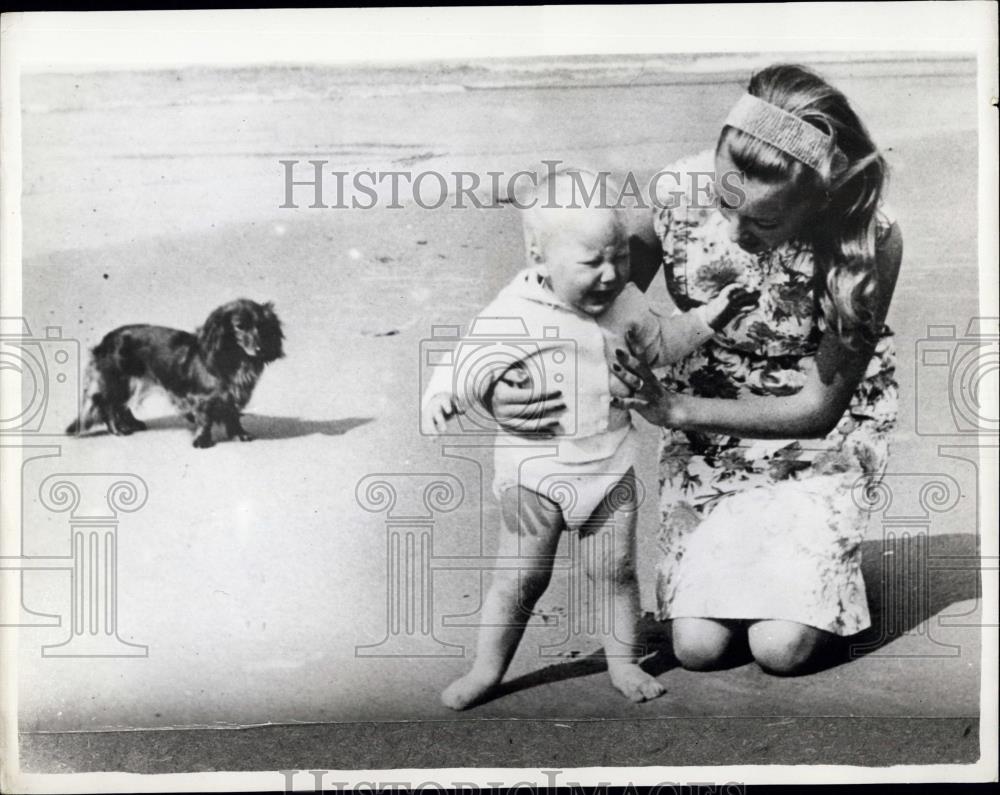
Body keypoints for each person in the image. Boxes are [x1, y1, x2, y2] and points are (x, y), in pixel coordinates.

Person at [490, 64, 902, 676]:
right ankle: (790, 568)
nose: (734, 231)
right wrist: (506, 386)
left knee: (779, 650)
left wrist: (675, 411)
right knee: (698, 650)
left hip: (815, 436)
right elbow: (578, 300)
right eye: (725, 200)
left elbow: (820, 408)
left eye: (763, 221)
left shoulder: (868, 239)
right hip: (712, 429)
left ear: (816, 199)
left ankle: (827, 563)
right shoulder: (678, 194)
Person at [422, 169, 752, 708]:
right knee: (522, 578)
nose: (610, 274)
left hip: (609, 467)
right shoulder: (513, 312)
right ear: (538, 255)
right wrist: (444, 397)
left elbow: (664, 343)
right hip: (535, 472)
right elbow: (467, 362)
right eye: (591, 262)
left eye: (620, 256)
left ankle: (621, 662)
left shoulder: (625, 303)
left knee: (615, 571)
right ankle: (486, 669)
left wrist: (711, 316)